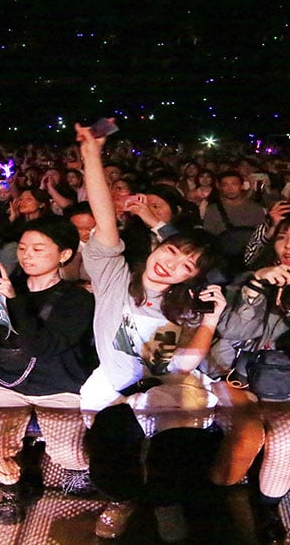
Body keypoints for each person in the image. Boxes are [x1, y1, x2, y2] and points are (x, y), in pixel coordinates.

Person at [75, 123, 226, 542]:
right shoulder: (114, 273)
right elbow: (105, 217)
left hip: (165, 383)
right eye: (171, 252)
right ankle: (121, 500)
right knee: (109, 449)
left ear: (191, 277)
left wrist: (209, 321)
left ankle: (165, 503)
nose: (170, 265)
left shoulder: (179, 307)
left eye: (185, 266)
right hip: (111, 381)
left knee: (171, 452)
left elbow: (177, 366)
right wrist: (92, 154)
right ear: (157, 245)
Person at [208, 213, 290, 542]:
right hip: (231, 372)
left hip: (285, 383)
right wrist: (254, 287)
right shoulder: (250, 277)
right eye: (282, 236)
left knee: (286, 442)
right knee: (246, 431)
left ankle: (266, 507)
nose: (288, 245)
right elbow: (231, 331)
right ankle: (214, 496)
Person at [0, 217, 96, 524]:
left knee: (67, 451)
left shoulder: (76, 297)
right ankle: (16, 487)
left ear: (64, 255)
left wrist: (14, 301)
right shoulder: (6, 285)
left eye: (38, 248)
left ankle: (79, 469)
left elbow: (44, 346)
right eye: (23, 248)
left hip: (58, 382)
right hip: (8, 380)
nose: (27, 255)